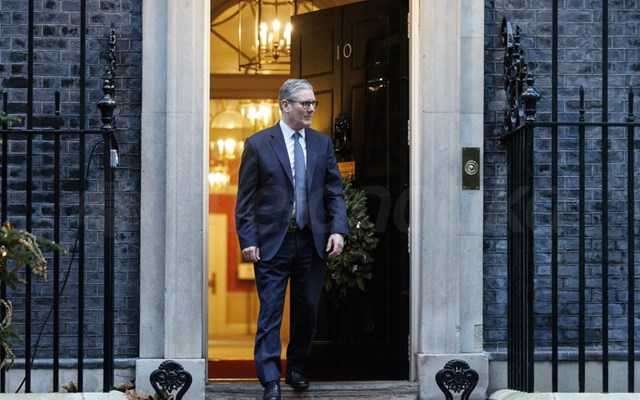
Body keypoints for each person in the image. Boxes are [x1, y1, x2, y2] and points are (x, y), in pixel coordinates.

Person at [235, 79, 348, 400]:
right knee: (271, 311)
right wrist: (248, 239)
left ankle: (296, 368)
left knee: (307, 309)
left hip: (312, 243)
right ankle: (270, 379)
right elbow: (245, 200)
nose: (311, 108)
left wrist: (338, 229)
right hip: (273, 243)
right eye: (304, 103)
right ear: (285, 105)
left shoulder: (322, 144)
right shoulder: (259, 144)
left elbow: (334, 192)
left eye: (313, 103)